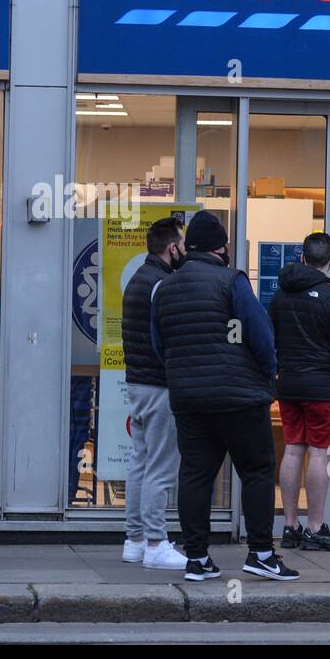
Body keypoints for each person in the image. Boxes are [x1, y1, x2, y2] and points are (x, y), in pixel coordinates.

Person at [151, 210, 299, 582]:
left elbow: (158, 344)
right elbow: (259, 334)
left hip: (189, 399)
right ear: (223, 247)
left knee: (196, 475)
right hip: (239, 396)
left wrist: (182, 374)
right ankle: (261, 553)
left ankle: (197, 558)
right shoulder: (231, 280)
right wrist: (267, 375)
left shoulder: (164, 287)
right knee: (257, 470)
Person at [271, 232, 330, 551]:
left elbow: (272, 340)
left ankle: (290, 526)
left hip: (290, 384)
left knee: (293, 449)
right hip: (325, 387)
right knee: (320, 452)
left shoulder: (281, 296)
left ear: (303, 258)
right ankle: (315, 527)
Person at [119, 217, 187, 570]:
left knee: (141, 462)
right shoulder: (161, 283)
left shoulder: (138, 279)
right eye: (183, 244)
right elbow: (168, 338)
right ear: (172, 247)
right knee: (160, 467)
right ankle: (156, 543)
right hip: (159, 384)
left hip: (138, 382)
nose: (185, 250)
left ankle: (135, 540)